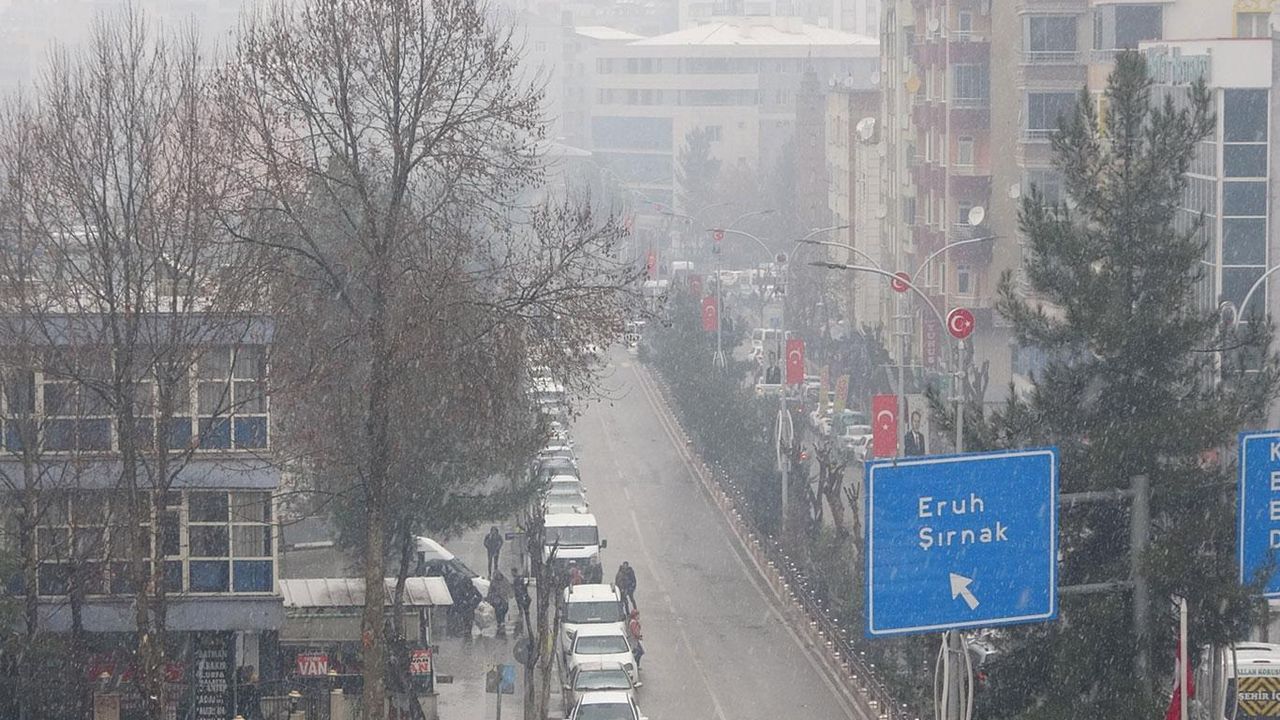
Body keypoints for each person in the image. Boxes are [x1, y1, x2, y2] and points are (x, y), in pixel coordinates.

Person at [487, 571, 511, 638]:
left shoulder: (505, 580)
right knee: (498, 611)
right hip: (496, 600)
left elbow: (508, 587)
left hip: (504, 599)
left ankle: (501, 622)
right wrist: (490, 598)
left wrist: (509, 594)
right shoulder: (493, 582)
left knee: (504, 609)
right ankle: (500, 623)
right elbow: (490, 590)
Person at [512, 567, 532, 635]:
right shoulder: (520, 578)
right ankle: (522, 626)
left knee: (521, 611)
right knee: (523, 611)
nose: (512, 574)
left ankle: (521, 626)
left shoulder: (517, 579)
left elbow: (520, 588)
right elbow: (524, 586)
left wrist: (520, 595)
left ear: (514, 572)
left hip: (520, 597)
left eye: (512, 572)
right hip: (521, 597)